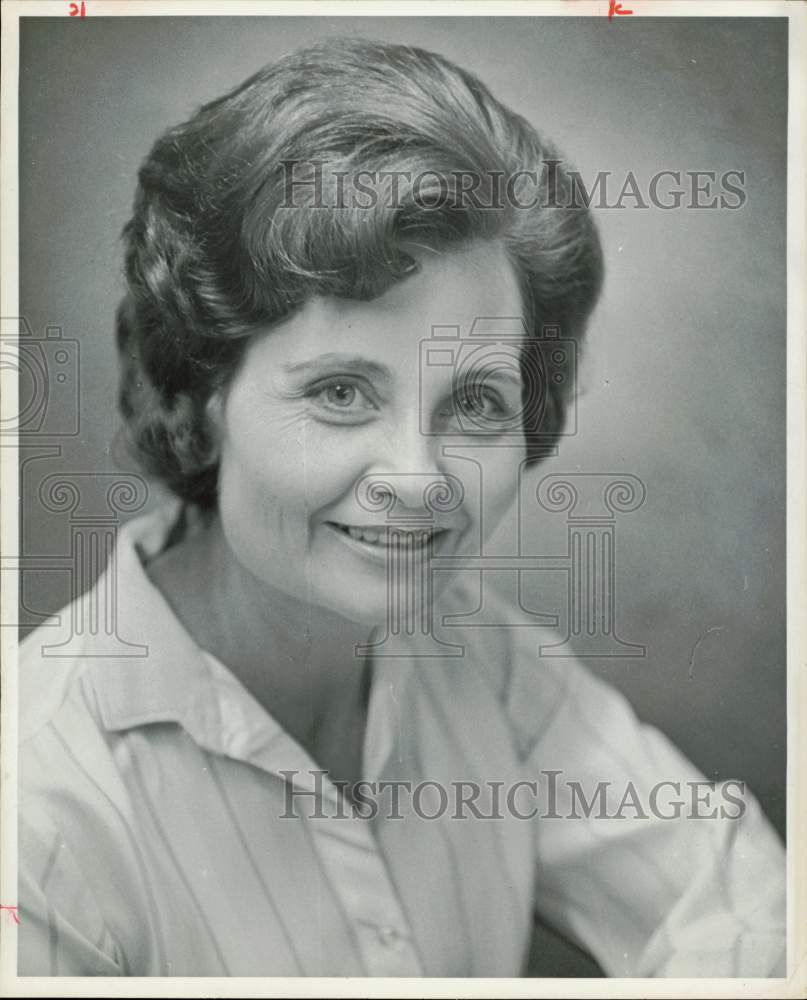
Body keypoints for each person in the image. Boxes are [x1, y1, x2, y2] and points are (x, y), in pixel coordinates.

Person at [18, 38, 785, 978]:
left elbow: (747, 907)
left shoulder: (483, 663)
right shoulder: (39, 798)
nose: (417, 479)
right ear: (197, 395)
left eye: (474, 403)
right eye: (341, 392)